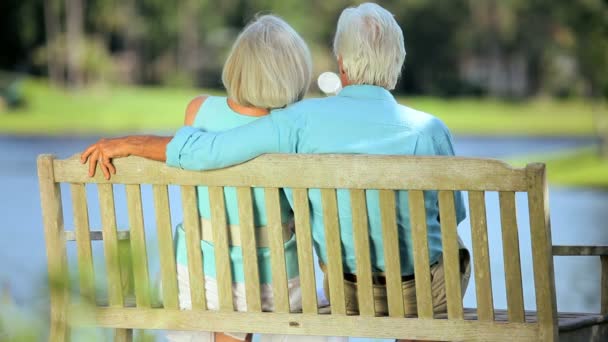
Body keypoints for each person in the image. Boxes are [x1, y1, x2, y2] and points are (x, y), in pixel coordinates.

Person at [82, 3, 470, 341]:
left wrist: (134, 142)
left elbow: (213, 150)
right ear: (398, 63)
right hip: (415, 293)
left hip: (346, 289)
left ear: (341, 63)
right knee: (443, 251)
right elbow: (453, 214)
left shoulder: (301, 121)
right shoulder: (428, 130)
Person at [84, 15, 315, 342]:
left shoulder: (198, 110)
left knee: (226, 289)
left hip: (193, 279)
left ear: (237, 65)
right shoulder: (292, 128)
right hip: (274, 285)